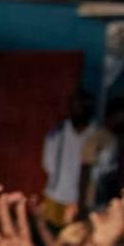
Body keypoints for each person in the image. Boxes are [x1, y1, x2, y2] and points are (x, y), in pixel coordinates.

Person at [42, 92, 100, 227]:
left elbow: (97, 171)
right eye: (73, 106)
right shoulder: (58, 131)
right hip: (55, 194)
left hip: (80, 199)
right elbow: (47, 162)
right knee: (50, 233)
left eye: (81, 106)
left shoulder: (96, 134)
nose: (76, 110)